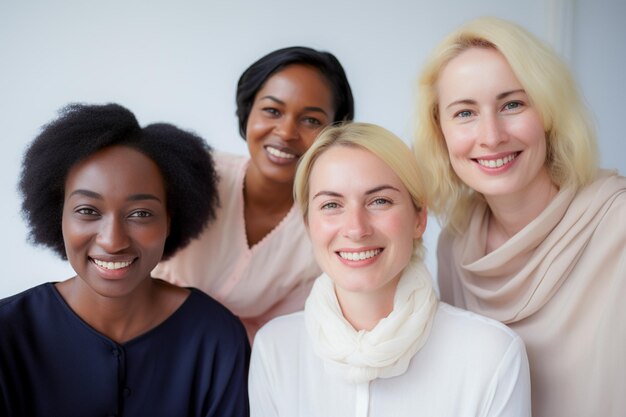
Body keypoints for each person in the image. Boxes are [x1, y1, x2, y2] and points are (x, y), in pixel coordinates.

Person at [413, 16, 626, 417]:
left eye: (513, 104)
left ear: (548, 113)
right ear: (439, 131)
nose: (491, 136)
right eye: (464, 113)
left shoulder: (618, 222)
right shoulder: (454, 246)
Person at [249, 122, 531, 416]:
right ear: (308, 225)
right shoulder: (274, 349)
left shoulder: (491, 354)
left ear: (419, 219)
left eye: (379, 201)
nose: (356, 229)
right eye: (332, 205)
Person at [0, 103, 250, 417]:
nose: (113, 240)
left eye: (141, 214)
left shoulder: (215, 336)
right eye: (88, 211)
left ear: (169, 220)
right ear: (57, 214)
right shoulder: (8, 332)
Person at [154, 46, 354, 339]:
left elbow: (276, 337)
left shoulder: (329, 228)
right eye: (272, 111)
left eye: (311, 120)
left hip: (229, 367)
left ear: (333, 132)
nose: (286, 132)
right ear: (247, 113)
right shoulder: (193, 173)